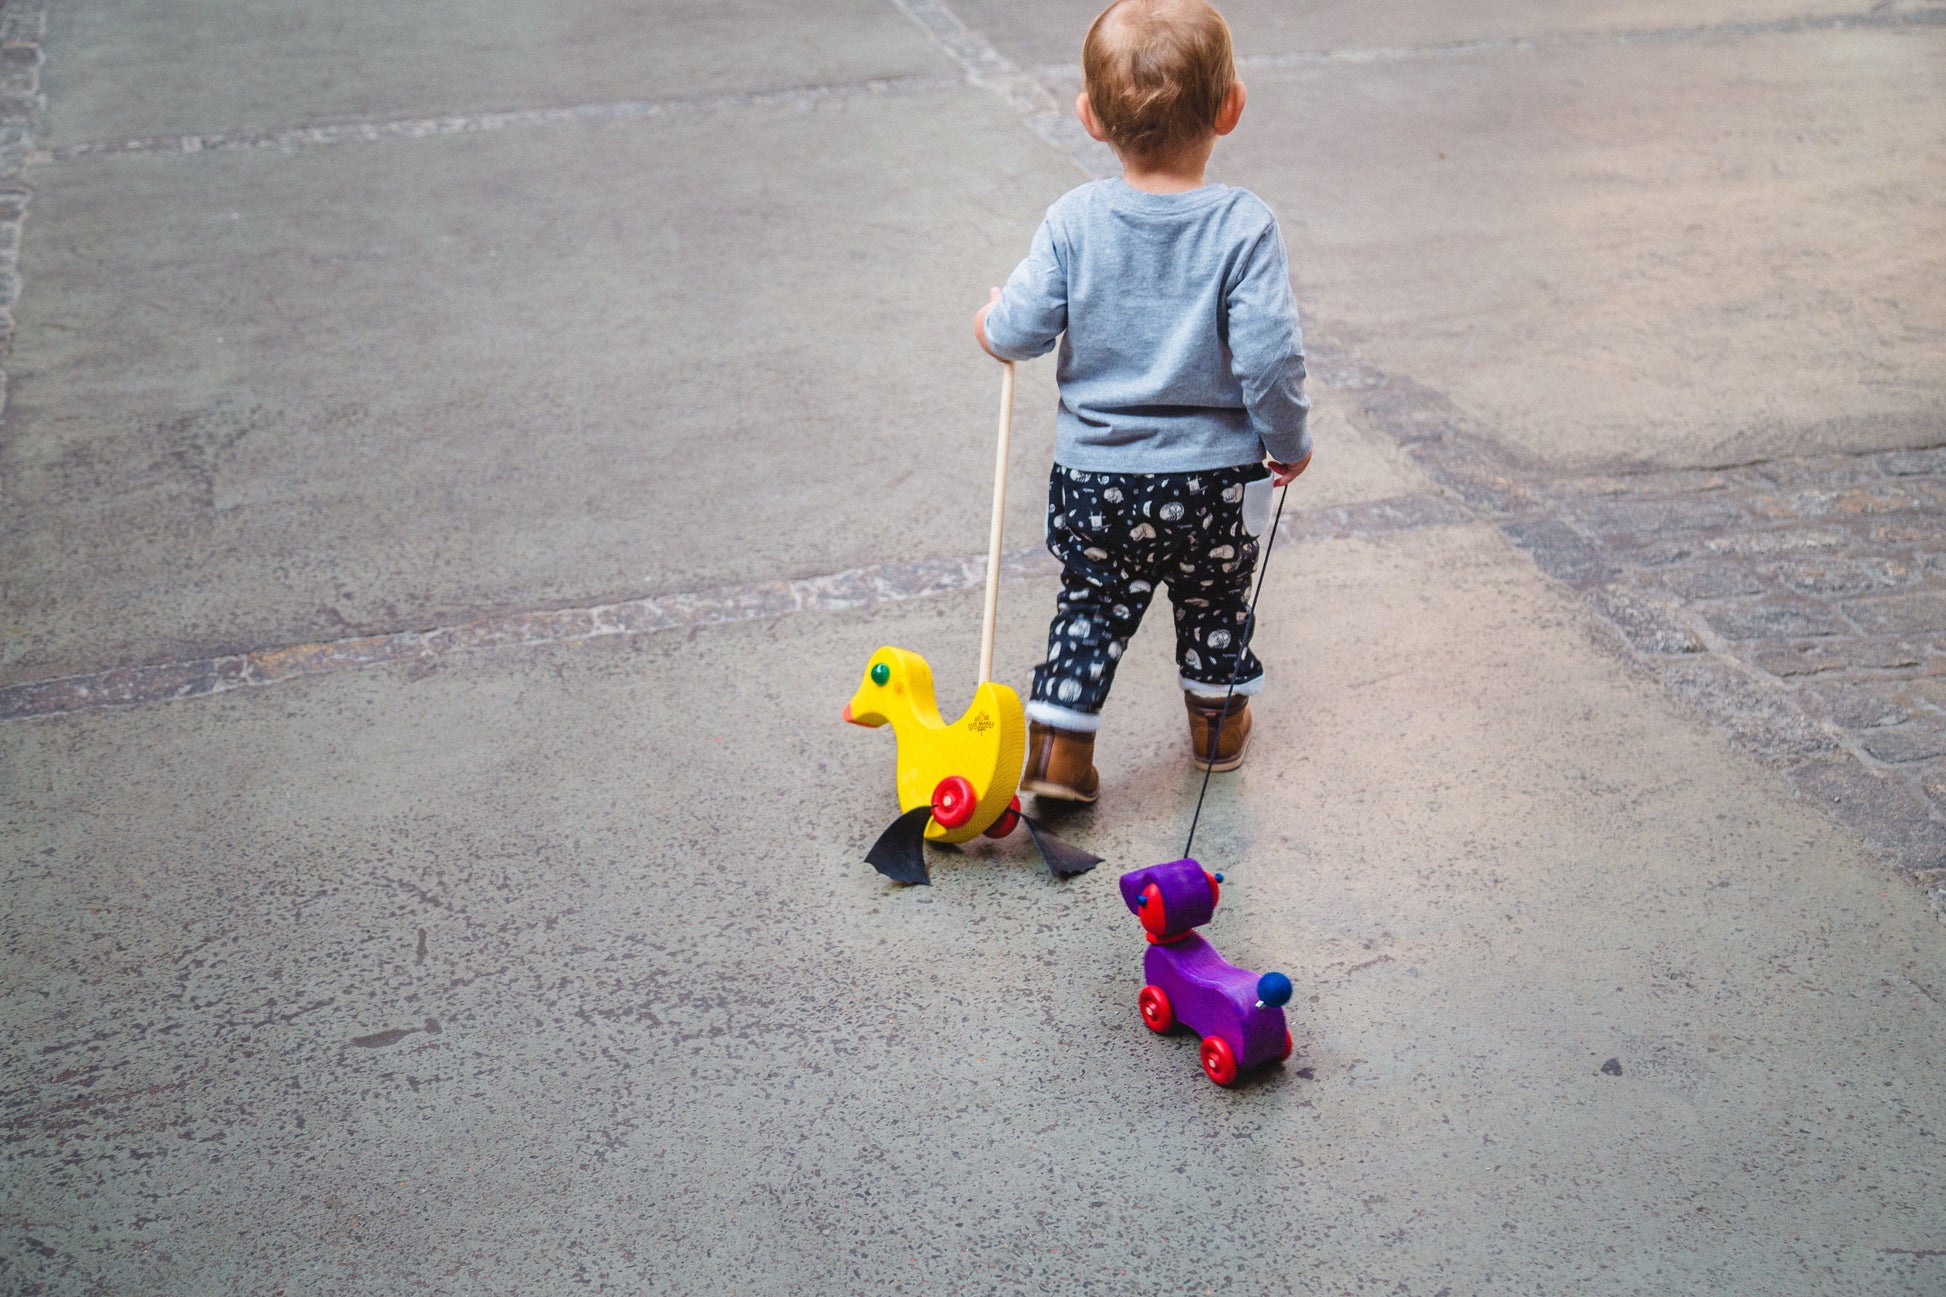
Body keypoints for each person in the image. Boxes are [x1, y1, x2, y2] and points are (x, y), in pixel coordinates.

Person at [974, 0, 1312, 803]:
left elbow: (1018, 330)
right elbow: (1270, 355)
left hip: (1100, 484)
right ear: (1231, 106)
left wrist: (991, 322)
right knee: (1216, 600)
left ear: (1090, 117)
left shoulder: (1074, 220)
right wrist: (1288, 440)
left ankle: (1058, 754)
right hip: (1215, 484)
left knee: (1090, 604)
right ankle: (1218, 727)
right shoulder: (1243, 227)